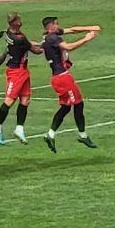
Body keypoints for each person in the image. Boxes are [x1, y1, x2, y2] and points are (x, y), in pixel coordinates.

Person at [38, 16, 100, 152]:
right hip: (62, 77)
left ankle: (50, 135)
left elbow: (72, 30)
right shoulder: (53, 38)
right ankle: (83, 135)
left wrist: (90, 28)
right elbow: (69, 47)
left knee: (66, 107)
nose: (59, 25)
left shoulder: (49, 36)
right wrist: (87, 38)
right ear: (51, 26)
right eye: (56, 24)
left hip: (58, 77)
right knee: (78, 103)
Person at [0, 13, 42, 145]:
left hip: (23, 70)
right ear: (14, 23)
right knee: (9, 100)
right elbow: (36, 50)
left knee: (25, 100)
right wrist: (48, 45)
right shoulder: (19, 39)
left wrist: (36, 43)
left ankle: (19, 129)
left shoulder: (10, 33)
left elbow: (28, 44)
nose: (21, 21)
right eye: (19, 20)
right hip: (16, 72)